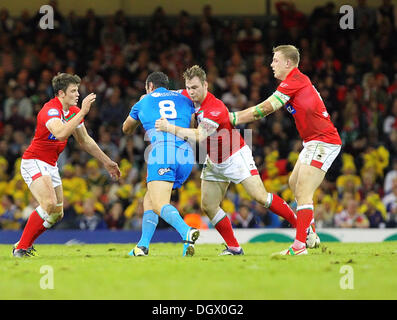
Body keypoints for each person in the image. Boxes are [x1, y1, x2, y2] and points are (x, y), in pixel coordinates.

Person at [155, 65, 298, 255]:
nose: (191, 92)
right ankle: (234, 247)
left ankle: (304, 228)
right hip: (214, 160)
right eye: (188, 88)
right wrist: (150, 96)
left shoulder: (215, 108)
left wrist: (168, 127)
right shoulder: (187, 94)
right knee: (208, 206)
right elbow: (167, 94)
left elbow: (199, 135)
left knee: (260, 197)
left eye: (195, 87)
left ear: (205, 85)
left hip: (235, 156)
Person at [230, 45, 342, 256]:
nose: (271, 64)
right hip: (312, 141)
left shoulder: (293, 82)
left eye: (275, 60)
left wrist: (233, 118)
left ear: (288, 63)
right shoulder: (296, 81)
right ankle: (310, 235)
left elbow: (263, 109)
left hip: (323, 140)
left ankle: (299, 246)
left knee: (303, 191)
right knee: (293, 184)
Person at [13, 73, 121, 257]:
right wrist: (83, 112)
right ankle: (21, 248)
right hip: (34, 161)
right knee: (48, 204)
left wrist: (107, 161)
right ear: (61, 93)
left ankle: (24, 244)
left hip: (50, 164)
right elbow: (61, 133)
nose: (78, 94)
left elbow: (85, 141)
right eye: (73, 90)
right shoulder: (50, 110)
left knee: (57, 213)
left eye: (77, 90)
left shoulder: (72, 111)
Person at [122, 71, 200, 257]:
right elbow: (192, 124)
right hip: (186, 154)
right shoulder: (184, 98)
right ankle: (142, 246)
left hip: (162, 152)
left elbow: (126, 129)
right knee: (150, 198)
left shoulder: (143, 101)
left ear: (150, 86)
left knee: (158, 203)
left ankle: (186, 231)